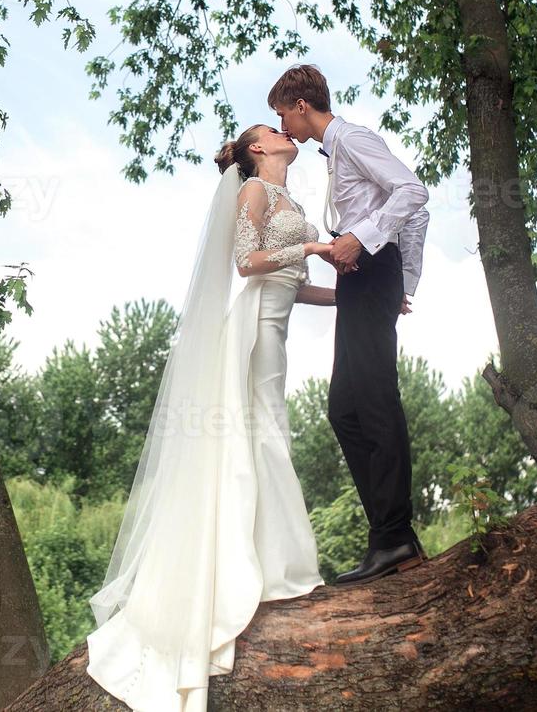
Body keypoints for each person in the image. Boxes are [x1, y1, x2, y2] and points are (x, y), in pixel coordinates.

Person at [85, 123, 335, 712]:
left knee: (268, 437)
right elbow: (249, 264)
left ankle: (272, 565)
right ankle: (279, 573)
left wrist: (352, 298)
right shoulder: (253, 193)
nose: (284, 133)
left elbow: (293, 285)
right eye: (274, 130)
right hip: (251, 329)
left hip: (276, 325)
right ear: (258, 150)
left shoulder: (290, 200)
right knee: (266, 439)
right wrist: (316, 248)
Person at [268, 63, 431, 584]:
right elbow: (407, 211)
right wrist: (396, 277)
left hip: (370, 270)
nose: (282, 126)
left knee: (375, 399)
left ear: (300, 106)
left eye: (281, 114)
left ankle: (395, 537)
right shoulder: (333, 155)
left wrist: (369, 246)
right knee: (344, 410)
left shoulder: (355, 139)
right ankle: (388, 534)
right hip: (362, 279)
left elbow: (413, 193)